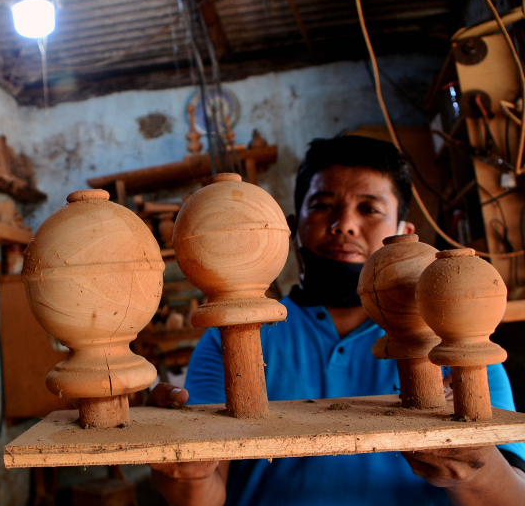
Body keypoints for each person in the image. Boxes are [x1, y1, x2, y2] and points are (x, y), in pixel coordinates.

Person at [148, 135, 525, 506]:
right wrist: (188, 474)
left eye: (369, 209)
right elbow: (202, 498)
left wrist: (478, 467)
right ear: (291, 230)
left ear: (406, 234)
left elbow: (516, 493)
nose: (344, 224)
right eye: (324, 205)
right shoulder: (228, 340)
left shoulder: (456, 340)